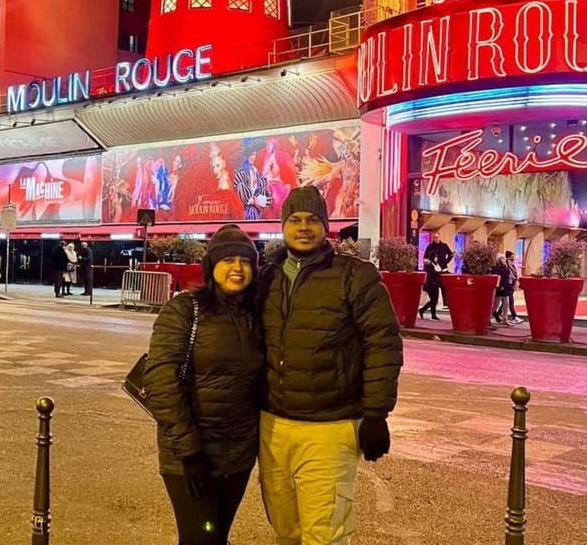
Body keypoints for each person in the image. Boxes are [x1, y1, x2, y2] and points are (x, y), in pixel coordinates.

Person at [258, 185, 403, 544]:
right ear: (283, 225)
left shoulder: (356, 275)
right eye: (294, 220)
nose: (303, 227)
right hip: (273, 425)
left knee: (326, 534)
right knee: (285, 529)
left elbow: (383, 345)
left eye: (311, 220)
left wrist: (376, 414)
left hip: (329, 427)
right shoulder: (267, 277)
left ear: (326, 226)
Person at [142, 224, 264, 545]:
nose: (237, 268)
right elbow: (160, 382)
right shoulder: (185, 310)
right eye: (227, 261)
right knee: (200, 539)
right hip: (192, 455)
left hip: (237, 454)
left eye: (245, 261)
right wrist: (190, 451)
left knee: (216, 538)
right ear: (212, 268)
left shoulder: (257, 316)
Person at [418, 232, 453, 320]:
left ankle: (426, 310)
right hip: (432, 280)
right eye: (434, 237)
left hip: (440, 272)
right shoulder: (430, 248)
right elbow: (425, 259)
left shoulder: (444, 246)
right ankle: (430, 313)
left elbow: (451, 254)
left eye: (437, 237)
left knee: (441, 291)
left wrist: (445, 262)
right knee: (434, 298)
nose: (435, 239)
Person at [497, 251, 522, 324]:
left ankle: (499, 315)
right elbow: (506, 276)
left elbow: (516, 273)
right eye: (511, 257)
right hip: (506, 286)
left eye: (513, 257)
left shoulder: (512, 265)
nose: (513, 259)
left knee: (506, 302)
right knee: (509, 302)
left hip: (511, 285)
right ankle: (515, 317)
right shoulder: (505, 266)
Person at [491, 254, 515, 326]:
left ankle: (505, 319)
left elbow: (508, 275)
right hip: (500, 288)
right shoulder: (496, 267)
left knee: (506, 304)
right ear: (499, 259)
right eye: (502, 258)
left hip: (506, 287)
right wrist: (500, 286)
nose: (504, 260)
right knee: (496, 305)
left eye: (504, 258)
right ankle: (487, 318)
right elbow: (497, 277)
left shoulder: (506, 267)